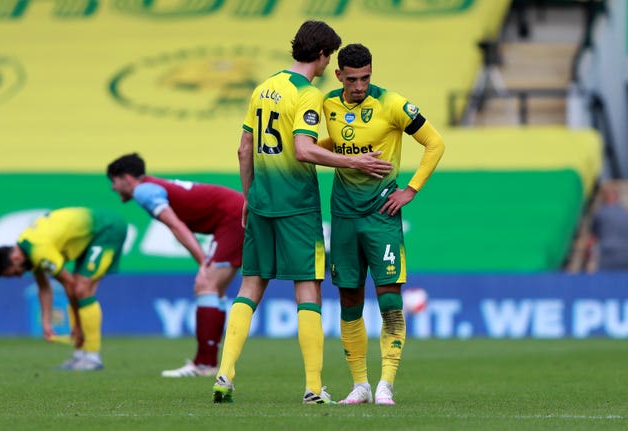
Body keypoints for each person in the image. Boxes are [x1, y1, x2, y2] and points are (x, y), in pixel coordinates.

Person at [212, 21, 393, 405]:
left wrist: (249, 195)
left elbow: (244, 149)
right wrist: (356, 162)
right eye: (330, 58)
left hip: (261, 202)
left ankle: (224, 374)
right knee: (307, 291)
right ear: (324, 55)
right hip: (296, 206)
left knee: (249, 289)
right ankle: (313, 388)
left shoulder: (263, 88)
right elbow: (304, 150)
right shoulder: (307, 94)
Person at [319, 43, 445, 405]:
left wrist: (411, 190)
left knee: (390, 301)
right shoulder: (327, 104)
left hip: (382, 215)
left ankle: (385, 384)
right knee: (349, 300)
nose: (359, 86)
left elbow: (435, 143)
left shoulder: (392, 104)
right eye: (353, 79)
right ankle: (359, 385)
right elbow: (330, 146)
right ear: (340, 75)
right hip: (343, 215)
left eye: (366, 78)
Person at [107, 153, 244, 377]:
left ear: (126, 178)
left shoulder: (143, 191)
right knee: (213, 290)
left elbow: (177, 226)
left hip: (232, 217)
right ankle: (207, 362)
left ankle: (204, 364)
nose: (113, 188)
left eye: (114, 181)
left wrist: (202, 262)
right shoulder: (153, 186)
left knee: (205, 286)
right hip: (235, 214)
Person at [0, 207, 127, 370]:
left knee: (81, 290)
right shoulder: (27, 248)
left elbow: (69, 284)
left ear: (15, 257)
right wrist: (46, 323)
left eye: (13, 273)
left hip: (106, 228)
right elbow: (44, 287)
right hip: (90, 238)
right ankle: (80, 355)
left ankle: (92, 356)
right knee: (80, 289)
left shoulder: (38, 251)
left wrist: (77, 325)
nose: (18, 276)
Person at [586, 181, 628, 271]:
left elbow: (591, 241)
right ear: (617, 197)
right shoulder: (625, 213)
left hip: (608, 256)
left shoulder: (599, 213)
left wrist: (588, 257)